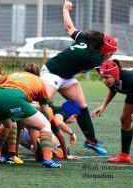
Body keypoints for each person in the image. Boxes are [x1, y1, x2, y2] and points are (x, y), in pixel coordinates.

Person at [39, 0, 118, 155]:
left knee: (82, 105)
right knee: (41, 103)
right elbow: (108, 74)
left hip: (66, 76)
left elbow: (70, 28)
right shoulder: (95, 58)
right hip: (52, 72)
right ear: (105, 50)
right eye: (111, 53)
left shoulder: (87, 40)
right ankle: (17, 126)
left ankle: (91, 141)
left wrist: (65, 9)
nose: (111, 56)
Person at [0, 63, 61, 168]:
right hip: (14, 98)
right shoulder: (39, 82)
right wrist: (48, 122)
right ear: (38, 75)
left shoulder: (14, 75)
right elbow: (45, 108)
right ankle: (48, 159)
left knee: (7, 125)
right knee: (45, 125)